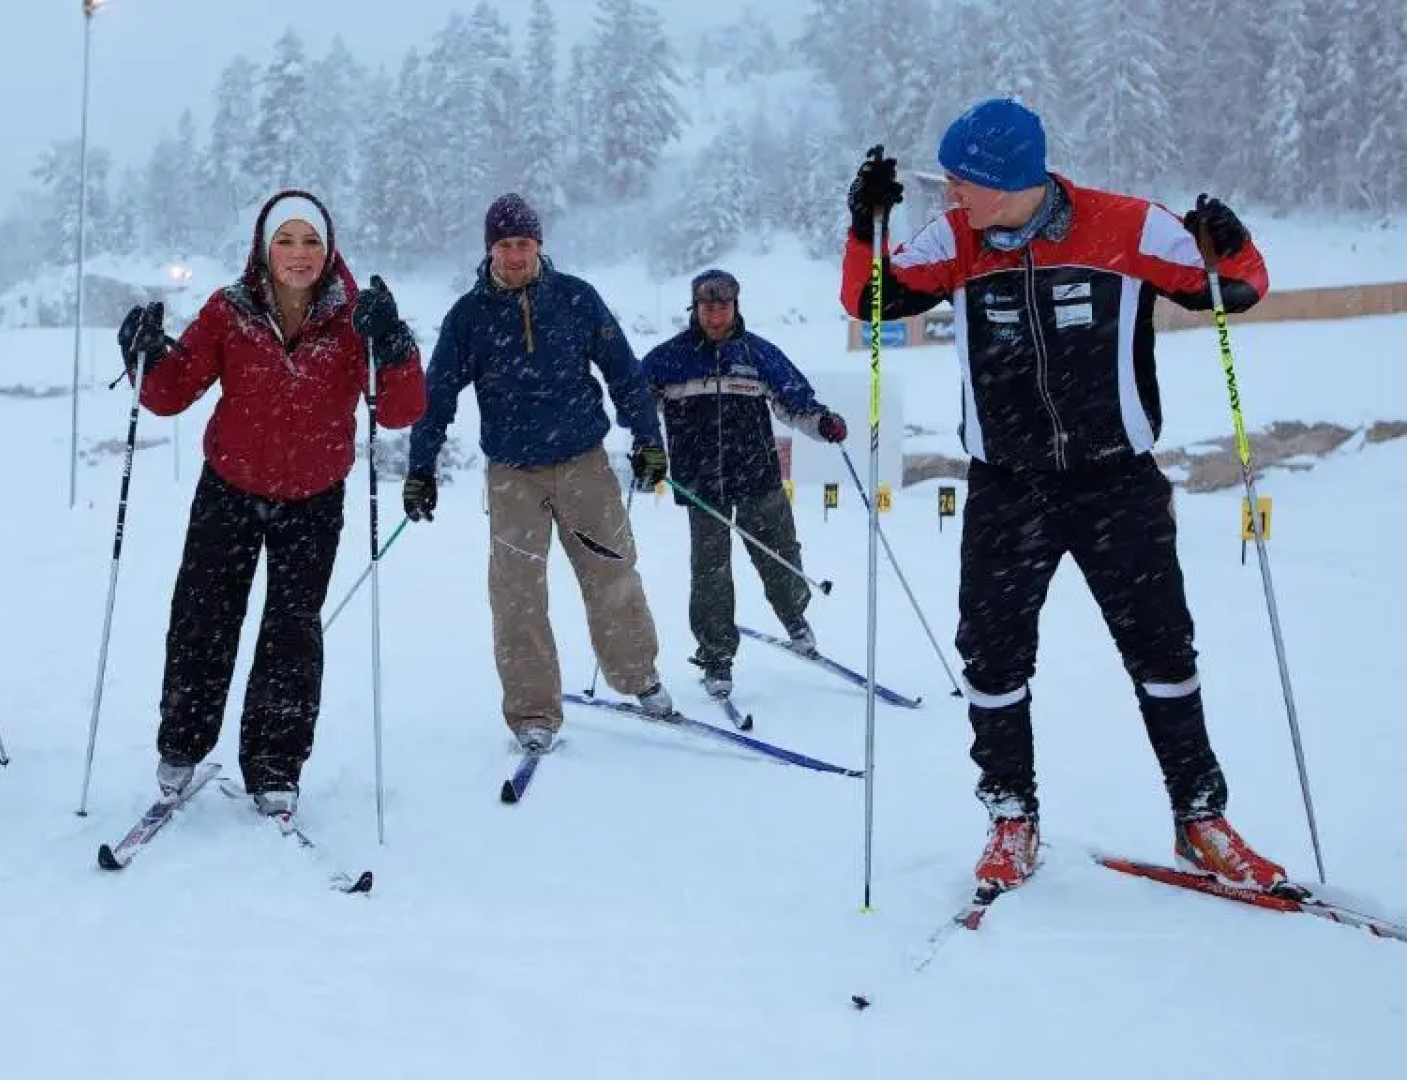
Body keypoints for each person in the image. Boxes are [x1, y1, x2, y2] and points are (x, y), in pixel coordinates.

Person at [841, 97, 1287, 893]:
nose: (949, 199)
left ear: (1009, 180)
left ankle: (1201, 817)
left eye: (961, 184)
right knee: (991, 658)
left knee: (1163, 653)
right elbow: (871, 301)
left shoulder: (1128, 225)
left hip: (1118, 481)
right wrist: (862, 227)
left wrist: (1234, 242)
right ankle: (1012, 816)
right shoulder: (957, 241)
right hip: (1008, 487)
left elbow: (1235, 290)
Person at [117, 189, 426, 817]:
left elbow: (400, 411)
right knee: (202, 619)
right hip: (228, 489)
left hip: (314, 498)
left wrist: (394, 345)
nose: (298, 254)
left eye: (311, 241)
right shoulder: (229, 310)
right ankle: (183, 745)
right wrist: (144, 357)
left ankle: (274, 765)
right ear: (263, 247)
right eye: (285, 240)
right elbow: (172, 394)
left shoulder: (353, 318)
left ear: (329, 249)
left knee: (291, 633)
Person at [402, 192, 674, 755]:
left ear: (539, 245)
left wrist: (648, 437)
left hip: (583, 462)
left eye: (523, 243)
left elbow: (623, 371)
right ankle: (532, 711)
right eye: (504, 244)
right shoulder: (469, 315)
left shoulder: (576, 299)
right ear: (490, 250)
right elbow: (437, 395)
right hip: (512, 474)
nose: (515, 254)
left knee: (612, 571)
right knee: (516, 594)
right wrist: (421, 467)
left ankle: (637, 675)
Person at [640, 268, 848, 698]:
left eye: (723, 306)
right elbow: (636, 407)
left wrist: (823, 422)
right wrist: (647, 450)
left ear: (736, 306)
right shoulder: (668, 359)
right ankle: (717, 657)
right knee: (710, 573)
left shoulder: (758, 355)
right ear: (695, 309)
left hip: (757, 475)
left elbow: (796, 403)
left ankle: (794, 615)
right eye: (707, 307)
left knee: (779, 554)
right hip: (700, 484)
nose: (715, 315)